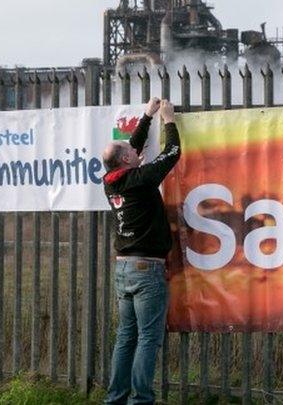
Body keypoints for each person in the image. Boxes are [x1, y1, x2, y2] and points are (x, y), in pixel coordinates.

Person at [102, 97, 181, 405]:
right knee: (148, 338)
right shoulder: (142, 179)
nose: (136, 152)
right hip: (146, 270)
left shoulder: (111, 181)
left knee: (126, 337)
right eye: (132, 154)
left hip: (123, 269)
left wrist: (147, 116)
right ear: (126, 162)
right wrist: (169, 120)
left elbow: (127, 149)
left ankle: (116, 399)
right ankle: (141, 400)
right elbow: (173, 153)